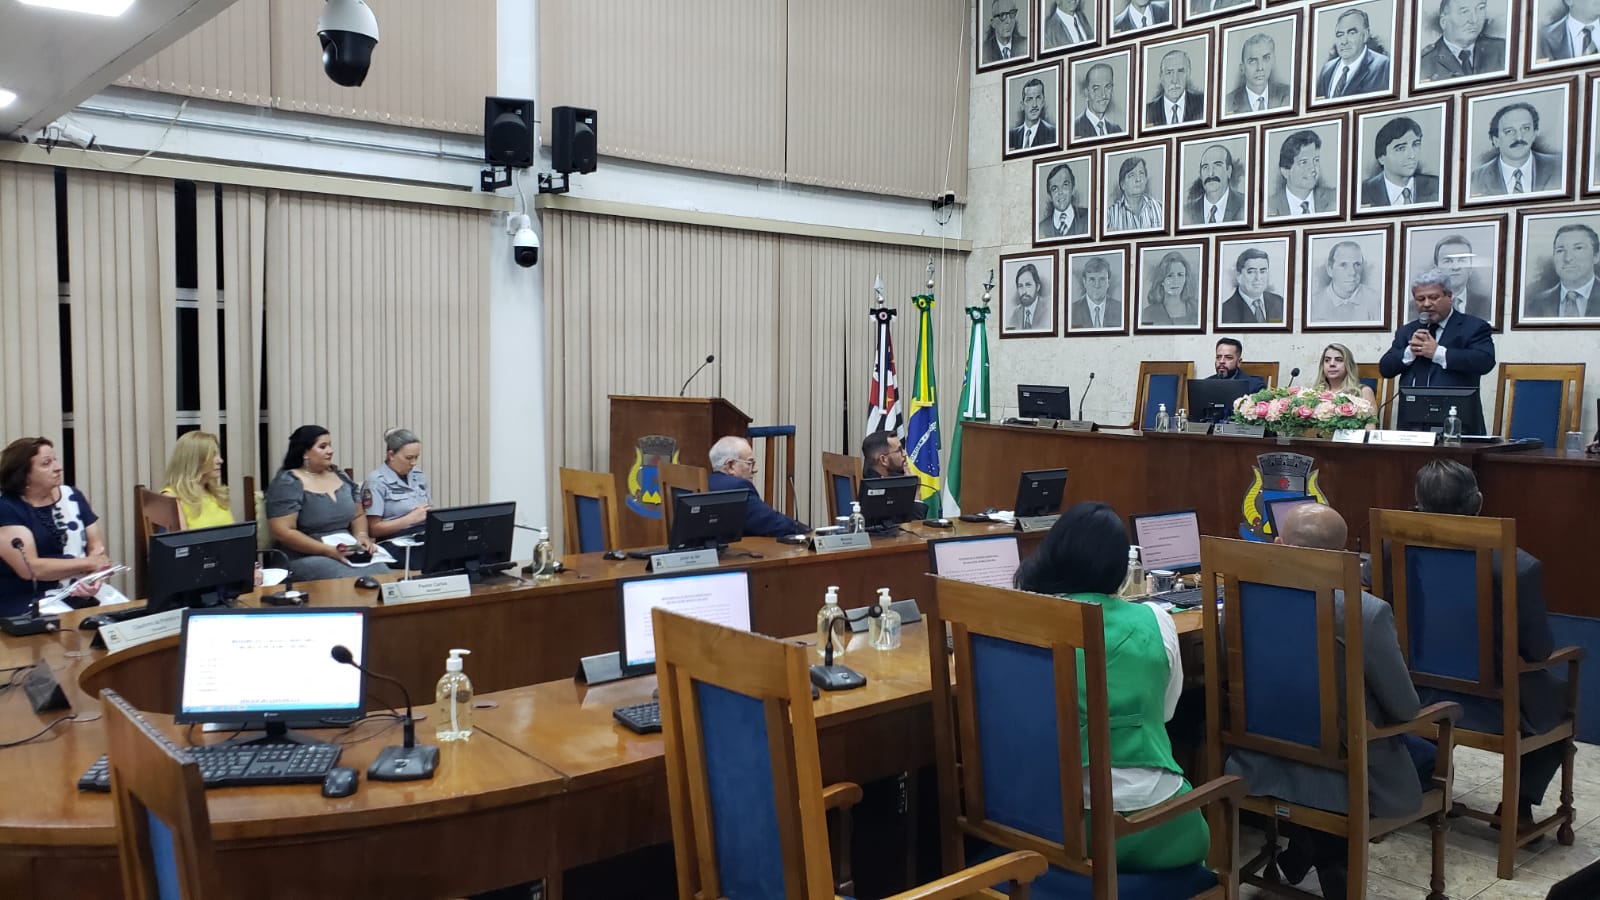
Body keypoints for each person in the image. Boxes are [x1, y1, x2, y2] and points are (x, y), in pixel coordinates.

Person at [1225, 503, 1428, 899]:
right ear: (1345, 556)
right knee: (1426, 754)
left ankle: (1309, 845)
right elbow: (1405, 709)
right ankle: (1323, 851)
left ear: (1278, 544)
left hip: (1258, 758)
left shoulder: (1238, 597)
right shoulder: (1366, 613)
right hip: (1342, 772)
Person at [1013, 501, 1209, 872]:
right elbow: (1166, 712)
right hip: (1160, 825)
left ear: (1051, 554)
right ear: (1121, 566)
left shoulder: (1025, 621)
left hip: (1058, 822)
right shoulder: (1156, 619)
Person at [1409, 460, 1565, 827]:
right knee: (1559, 702)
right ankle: (1519, 806)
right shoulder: (1517, 566)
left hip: (1416, 697)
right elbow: (1538, 651)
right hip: (1495, 706)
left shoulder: (1391, 551)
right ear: (1478, 502)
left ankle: (1425, 786)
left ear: (1417, 505)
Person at [0, 437, 112, 616]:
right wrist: (89, 563)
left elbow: (96, 545)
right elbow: (31, 568)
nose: (58, 467)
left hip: (80, 590)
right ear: (24, 474)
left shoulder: (72, 496)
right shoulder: (7, 509)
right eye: (47, 463)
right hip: (31, 597)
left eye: (55, 459)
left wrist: (95, 578)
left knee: (125, 618)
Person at [265, 425, 389, 582]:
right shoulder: (288, 482)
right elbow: (283, 532)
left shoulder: (339, 475)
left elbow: (358, 515)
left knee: (383, 572)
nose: (330, 451)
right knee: (352, 579)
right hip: (305, 555)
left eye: (330, 445)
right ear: (305, 452)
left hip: (345, 548)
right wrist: (328, 551)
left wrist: (362, 536)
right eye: (323, 447)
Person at [1378, 268, 1496, 430]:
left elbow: (1485, 361)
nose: (1426, 304)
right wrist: (1409, 352)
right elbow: (1385, 368)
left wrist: (1438, 353)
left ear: (1449, 296)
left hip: (1457, 422)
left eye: (1433, 297)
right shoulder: (1407, 331)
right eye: (1420, 299)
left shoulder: (1473, 327)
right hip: (1412, 424)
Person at [707, 436, 807, 537]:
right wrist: (806, 531)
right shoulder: (737, 487)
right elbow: (770, 522)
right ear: (730, 465)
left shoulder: (706, 483)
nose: (755, 469)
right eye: (750, 463)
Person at [363, 427, 431, 564]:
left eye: (416, 457)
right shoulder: (376, 482)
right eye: (408, 458)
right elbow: (373, 529)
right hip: (396, 541)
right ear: (391, 455)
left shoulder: (418, 476)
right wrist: (410, 519)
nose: (413, 463)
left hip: (423, 535)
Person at [1468, 102, 1562, 198]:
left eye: (1525, 128)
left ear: (1534, 133)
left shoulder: (1558, 167)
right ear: (1496, 140)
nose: (1519, 137)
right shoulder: (1476, 179)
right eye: (1509, 131)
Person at [1359, 117, 1440, 207]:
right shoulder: (1362, 192)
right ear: (1381, 158)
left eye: (1416, 145)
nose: (1412, 155)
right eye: (1401, 148)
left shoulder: (1437, 185)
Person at [1419, 0, 1508, 81]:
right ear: (1444, 22)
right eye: (1464, 12)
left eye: (1480, 9)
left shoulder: (1503, 49)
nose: (1474, 20)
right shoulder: (1423, 63)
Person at [160, 431, 233, 530]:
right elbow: (182, 539)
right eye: (213, 455)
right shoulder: (173, 498)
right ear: (196, 461)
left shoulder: (216, 492)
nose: (220, 461)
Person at [1313, 8, 1392, 99]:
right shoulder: (1327, 69)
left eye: (1351, 33)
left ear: (1365, 35)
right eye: (1340, 35)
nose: (1344, 41)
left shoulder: (1383, 65)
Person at [1524, 223, 1598, 318]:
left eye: (1578, 248)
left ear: (1596, 256)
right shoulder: (1535, 304)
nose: (1568, 258)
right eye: (1560, 250)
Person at [1310, 241, 1383, 324]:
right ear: (1330, 270)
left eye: (1357, 264)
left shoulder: (1376, 300)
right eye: (1343, 265)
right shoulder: (1313, 303)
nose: (1352, 272)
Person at [1268, 130, 1338, 218]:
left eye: (1316, 160)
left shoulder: (1335, 198)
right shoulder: (1269, 206)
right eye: (1304, 162)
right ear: (1285, 171)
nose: (1313, 168)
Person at [861, 430, 928, 518]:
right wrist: (916, 491)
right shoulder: (877, 492)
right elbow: (914, 524)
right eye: (899, 450)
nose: (905, 453)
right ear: (883, 460)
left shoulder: (896, 479)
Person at [1225, 32, 1292, 115]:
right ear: (1242, 68)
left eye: (1266, 58)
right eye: (1252, 61)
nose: (1260, 67)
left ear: (1273, 62)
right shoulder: (1227, 103)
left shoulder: (1289, 94)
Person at [1431, 234, 1493, 320]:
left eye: (1462, 260)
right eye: (1448, 261)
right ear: (1436, 269)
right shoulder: (1420, 306)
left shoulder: (1487, 304)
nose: (1455, 267)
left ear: (1470, 268)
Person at [1182, 145, 1246, 227]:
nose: (1210, 173)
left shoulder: (1245, 205)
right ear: (1200, 174)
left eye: (1217, 165)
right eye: (1205, 167)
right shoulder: (1187, 212)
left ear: (1229, 171)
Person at [1219, 248, 1285, 325]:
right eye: (1251, 272)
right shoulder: (1224, 311)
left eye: (1262, 271)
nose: (1258, 278)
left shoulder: (1280, 302)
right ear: (1238, 276)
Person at [1309, 343, 1378, 413]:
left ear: (1348, 365)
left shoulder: (1363, 392)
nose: (1332, 364)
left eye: (1339, 360)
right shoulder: (1314, 393)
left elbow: (1372, 419)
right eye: (1327, 360)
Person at [1144, 50, 1203, 127]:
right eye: (1169, 73)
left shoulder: (1203, 104)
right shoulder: (1147, 112)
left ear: (1188, 74)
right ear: (1161, 77)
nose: (1175, 80)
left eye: (1180, 71)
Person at [1105, 156, 1163, 233]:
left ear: (1146, 179)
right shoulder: (1110, 215)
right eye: (1131, 175)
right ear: (1122, 185)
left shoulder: (1160, 208)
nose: (1138, 179)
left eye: (1141, 173)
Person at [1139, 251, 1198, 327]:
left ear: (1186, 279)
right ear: (1161, 280)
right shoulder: (1148, 314)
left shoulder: (1197, 308)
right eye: (1170, 275)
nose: (1175, 281)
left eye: (1180, 275)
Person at [1070, 256, 1123, 330]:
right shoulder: (1072, 310)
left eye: (1102, 279)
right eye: (1092, 279)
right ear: (1084, 282)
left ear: (1108, 282)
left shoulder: (1121, 309)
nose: (1097, 285)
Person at [1037, 163, 1089, 239]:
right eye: (1054, 188)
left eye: (1065, 185)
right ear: (1050, 196)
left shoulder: (1088, 218)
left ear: (1073, 189)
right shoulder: (1041, 228)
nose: (1060, 192)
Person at [1073, 63, 1124, 139]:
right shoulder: (1074, 129)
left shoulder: (1116, 130)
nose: (1103, 95)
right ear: (1086, 93)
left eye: (1108, 87)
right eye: (1096, 89)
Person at [1008, 77, 1057, 151]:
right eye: (1029, 99)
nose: (1034, 105)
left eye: (1038, 98)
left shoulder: (1053, 133)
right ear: (1022, 105)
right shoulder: (1011, 136)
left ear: (1043, 102)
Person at [1008, 263, 1051, 331]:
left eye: (1028, 285)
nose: (1024, 291)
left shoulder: (1048, 310)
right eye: (1020, 286)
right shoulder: (1015, 314)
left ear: (1037, 287)